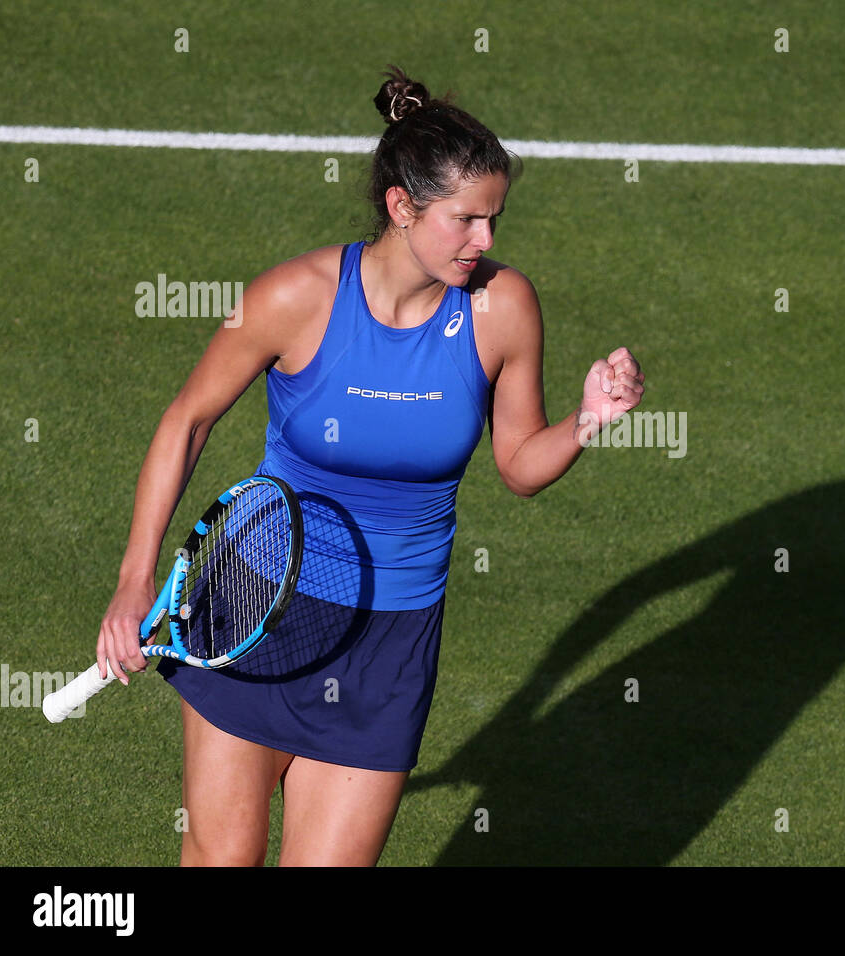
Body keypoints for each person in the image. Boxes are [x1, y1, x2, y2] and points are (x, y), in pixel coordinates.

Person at [95, 66, 645, 866]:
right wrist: (134, 578)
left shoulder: (502, 309)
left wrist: (590, 419)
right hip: (260, 603)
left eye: (493, 220)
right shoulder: (297, 296)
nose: (485, 242)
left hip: (390, 639)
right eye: (466, 221)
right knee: (222, 860)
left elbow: (521, 466)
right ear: (401, 206)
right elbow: (189, 419)